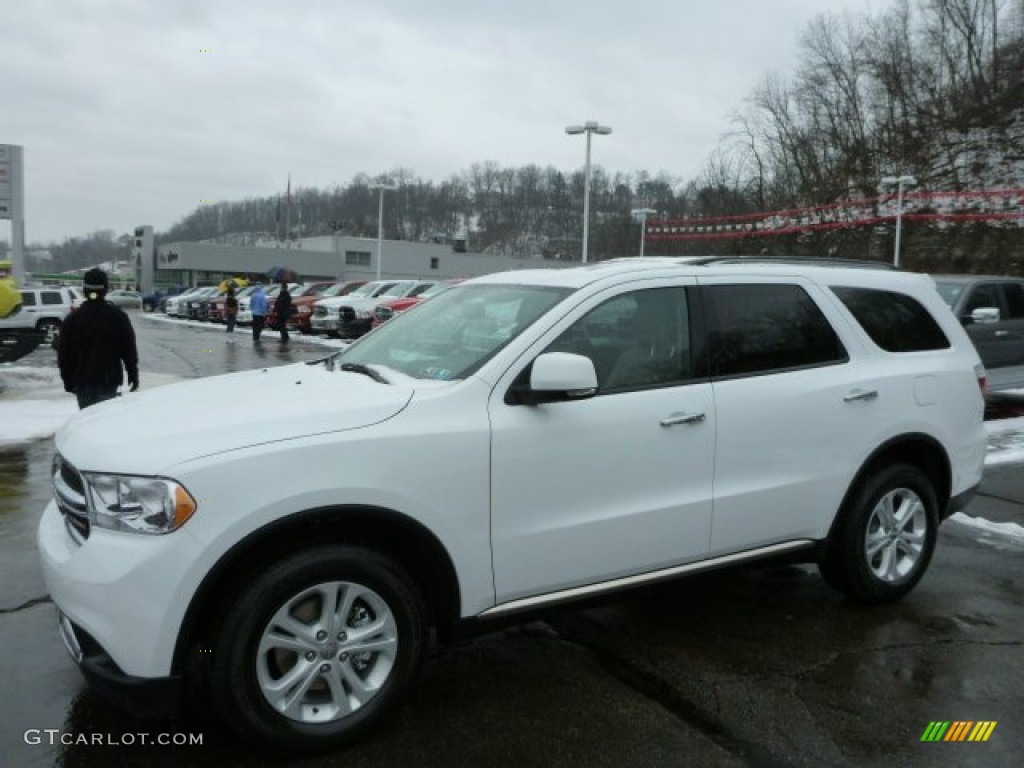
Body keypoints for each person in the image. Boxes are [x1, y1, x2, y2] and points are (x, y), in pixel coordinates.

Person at [58, 267, 139, 409]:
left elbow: (64, 354)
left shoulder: (73, 319)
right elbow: (128, 349)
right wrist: (132, 372)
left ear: (85, 290)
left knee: (87, 421)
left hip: (82, 382)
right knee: (104, 422)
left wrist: (67, 380)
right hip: (109, 380)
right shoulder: (118, 317)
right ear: (106, 289)